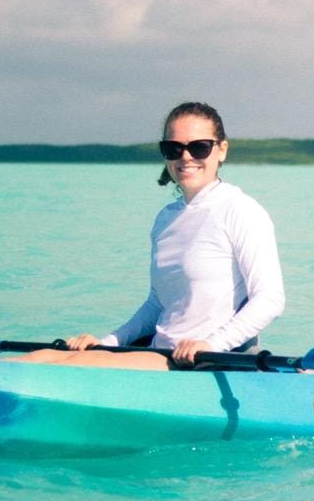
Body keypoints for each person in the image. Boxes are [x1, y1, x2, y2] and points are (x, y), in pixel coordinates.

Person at [17, 101, 285, 369]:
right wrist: (108, 342)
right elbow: (157, 304)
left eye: (199, 147)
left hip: (205, 361)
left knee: (70, 365)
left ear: (221, 150)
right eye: (173, 149)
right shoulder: (166, 219)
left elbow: (269, 299)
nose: (186, 157)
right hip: (161, 352)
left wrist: (212, 344)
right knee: (44, 356)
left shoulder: (241, 210)